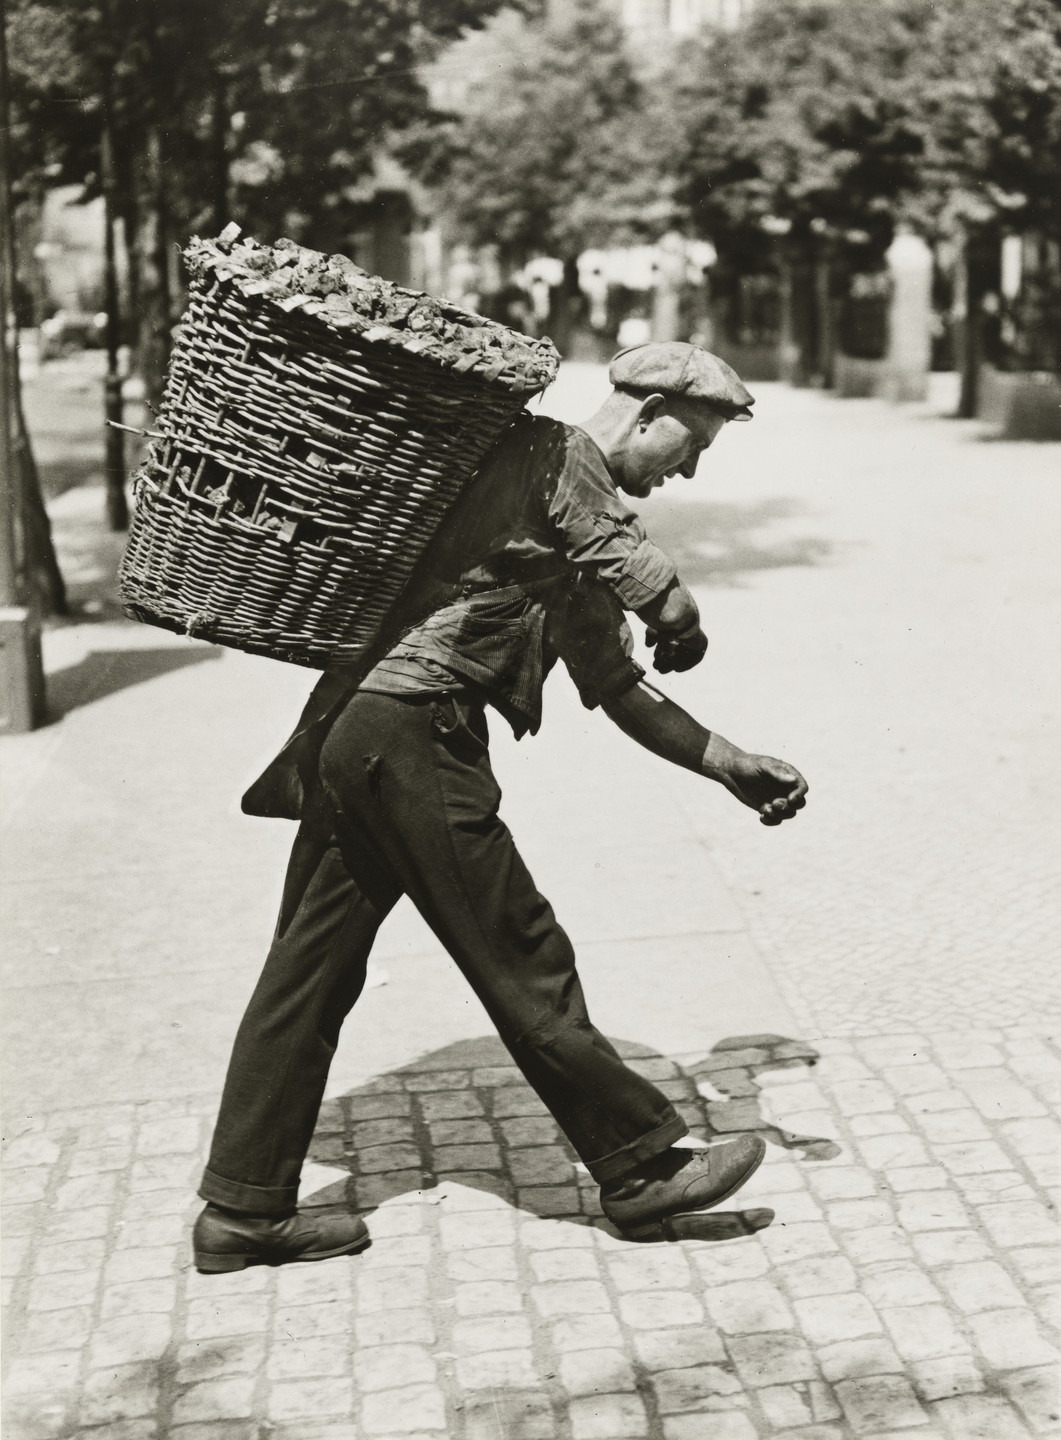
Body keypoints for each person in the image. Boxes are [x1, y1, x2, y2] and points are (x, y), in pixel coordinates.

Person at [192, 341, 809, 1271]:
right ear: (643, 413)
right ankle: (641, 1171)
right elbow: (649, 585)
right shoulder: (550, 455)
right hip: (409, 734)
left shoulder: (568, 529)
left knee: (309, 973)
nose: (686, 469)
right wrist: (680, 614)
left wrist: (727, 761)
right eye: (691, 445)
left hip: (357, 740)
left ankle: (242, 1210)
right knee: (520, 949)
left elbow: (617, 686)